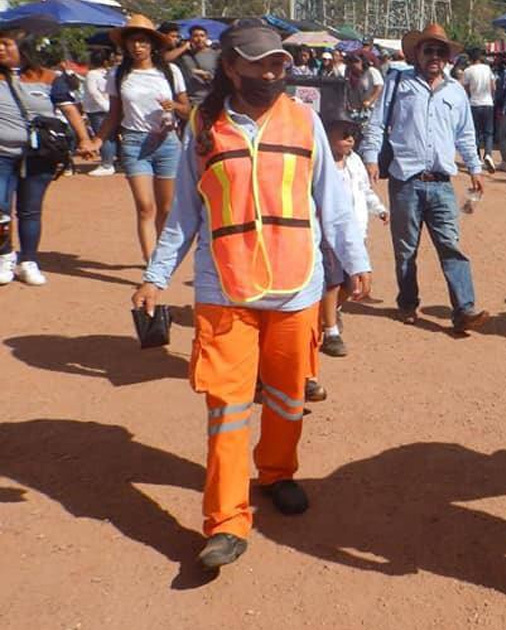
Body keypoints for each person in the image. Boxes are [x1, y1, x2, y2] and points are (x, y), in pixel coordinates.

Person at [130, 20, 371, 570]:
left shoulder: (305, 119)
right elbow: (186, 213)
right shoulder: (205, 124)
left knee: (288, 398)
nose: (272, 72)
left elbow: (331, 202)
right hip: (225, 291)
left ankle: (278, 472)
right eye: (260, 63)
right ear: (231, 68)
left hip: (295, 289)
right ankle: (226, 523)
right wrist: (156, 274)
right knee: (227, 409)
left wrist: (356, 261)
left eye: (279, 63)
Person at [361, 23, 490, 334]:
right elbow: (377, 124)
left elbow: (466, 134)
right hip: (405, 180)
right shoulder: (397, 83)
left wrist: (474, 167)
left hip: (441, 182)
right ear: (416, 54)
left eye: (440, 51)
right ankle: (407, 302)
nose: (434, 56)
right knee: (406, 249)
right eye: (428, 50)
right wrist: (370, 159)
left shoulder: (456, 92)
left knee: (450, 245)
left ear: (447, 58)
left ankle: (464, 309)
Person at [0, 29, 99, 286]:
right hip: (2, 156)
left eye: (5, 44)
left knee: (30, 210)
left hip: (40, 155)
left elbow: (70, 109)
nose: (0, 49)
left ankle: (28, 260)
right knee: (0, 208)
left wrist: (85, 139)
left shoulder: (50, 78)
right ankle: (4, 255)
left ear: (23, 49)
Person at [97, 14, 189, 264]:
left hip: (168, 142)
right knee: (145, 207)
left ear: (152, 44)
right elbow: (114, 114)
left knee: (167, 209)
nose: (137, 46)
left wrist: (175, 107)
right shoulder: (118, 75)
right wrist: (96, 141)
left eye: (142, 41)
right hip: (134, 143)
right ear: (125, 45)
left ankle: (161, 259)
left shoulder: (170, 72)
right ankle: (151, 264)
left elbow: (187, 109)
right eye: (132, 41)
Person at [317, 113, 387, 358]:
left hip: (355, 231)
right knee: (332, 281)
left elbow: (365, 190)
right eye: (343, 135)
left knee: (350, 283)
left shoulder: (355, 162)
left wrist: (379, 209)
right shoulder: (319, 162)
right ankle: (331, 332)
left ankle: (327, 311)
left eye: (352, 136)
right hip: (327, 232)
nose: (349, 140)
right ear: (327, 136)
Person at [83, 48, 118, 176]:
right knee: (111, 137)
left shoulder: (92, 74)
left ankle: (107, 164)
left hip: (97, 110)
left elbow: (93, 92)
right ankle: (114, 161)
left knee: (103, 136)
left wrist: (106, 107)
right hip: (108, 108)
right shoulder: (110, 73)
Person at [462, 48, 496, 172]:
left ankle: (477, 158)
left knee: (474, 132)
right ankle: (488, 154)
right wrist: (491, 98)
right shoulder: (487, 69)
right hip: (488, 103)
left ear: (470, 58)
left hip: (474, 104)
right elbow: (493, 86)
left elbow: (464, 88)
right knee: (488, 132)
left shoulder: (467, 71)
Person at [177, 25, 219, 105]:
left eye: (202, 36)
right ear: (190, 38)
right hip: (191, 101)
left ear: (206, 37)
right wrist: (184, 47)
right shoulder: (184, 55)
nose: (199, 39)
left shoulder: (215, 55)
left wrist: (209, 76)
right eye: (195, 36)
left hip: (211, 100)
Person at [346, 52, 383, 120]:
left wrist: (370, 101)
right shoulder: (362, 76)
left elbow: (379, 87)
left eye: (355, 63)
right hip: (364, 109)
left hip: (373, 108)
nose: (353, 66)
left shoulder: (372, 71)